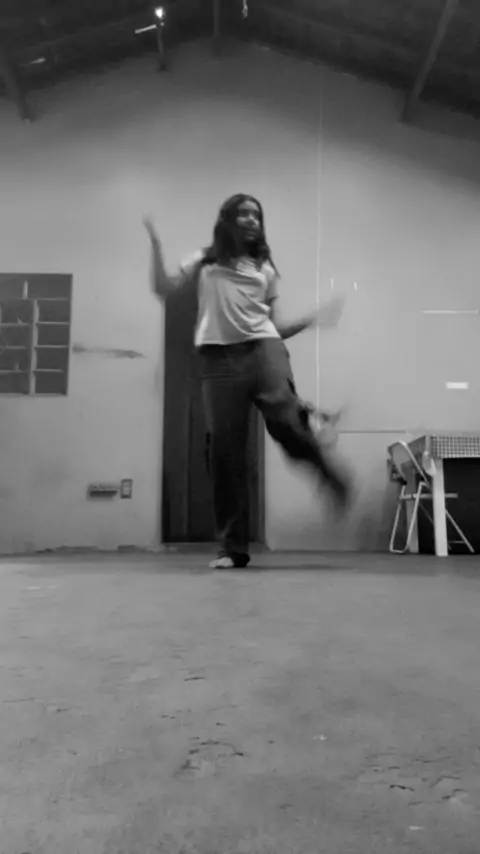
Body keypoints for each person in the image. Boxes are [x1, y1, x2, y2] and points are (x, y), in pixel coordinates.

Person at [144, 193, 352, 569]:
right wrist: (155, 242)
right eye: (242, 213)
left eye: (256, 214)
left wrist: (310, 320)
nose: (251, 219)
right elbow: (163, 288)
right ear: (227, 220)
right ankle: (232, 548)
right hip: (218, 359)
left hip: (263, 350)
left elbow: (274, 324)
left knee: (286, 423)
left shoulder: (265, 269)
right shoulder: (204, 260)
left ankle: (326, 470)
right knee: (224, 454)